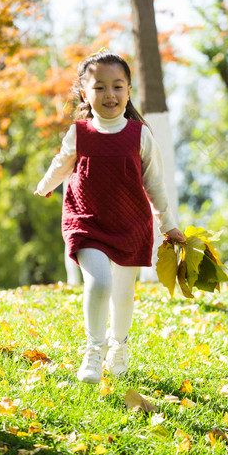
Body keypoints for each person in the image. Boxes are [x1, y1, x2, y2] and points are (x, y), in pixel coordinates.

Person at [35, 50, 184, 384]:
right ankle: (93, 350)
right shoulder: (79, 133)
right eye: (99, 87)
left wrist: (168, 223)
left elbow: (154, 183)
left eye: (117, 86)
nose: (109, 94)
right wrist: (45, 186)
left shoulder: (139, 135)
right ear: (85, 93)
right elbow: (62, 162)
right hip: (85, 220)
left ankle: (119, 346)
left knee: (122, 294)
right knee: (98, 281)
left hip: (130, 223)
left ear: (129, 91)